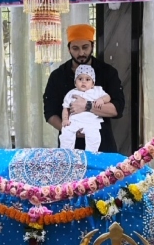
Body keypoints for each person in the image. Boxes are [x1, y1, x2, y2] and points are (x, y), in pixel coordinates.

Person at [43, 23, 125, 153]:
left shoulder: (107, 72)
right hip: (69, 146)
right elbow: (50, 112)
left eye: (85, 47)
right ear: (69, 49)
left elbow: (117, 109)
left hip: (102, 143)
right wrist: (70, 130)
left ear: (92, 46)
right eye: (75, 48)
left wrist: (87, 105)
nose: (81, 53)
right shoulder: (58, 76)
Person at [60, 65, 110, 152]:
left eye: (87, 79)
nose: (83, 82)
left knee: (94, 137)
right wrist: (65, 119)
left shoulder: (97, 91)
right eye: (80, 79)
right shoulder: (71, 93)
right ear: (75, 83)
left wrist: (102, 100)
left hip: (91, 121)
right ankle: (66, 152)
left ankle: (91, 154)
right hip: (74, 120)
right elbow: (65, 108)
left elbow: (108, 97)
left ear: (93, 83)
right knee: (66, 132)